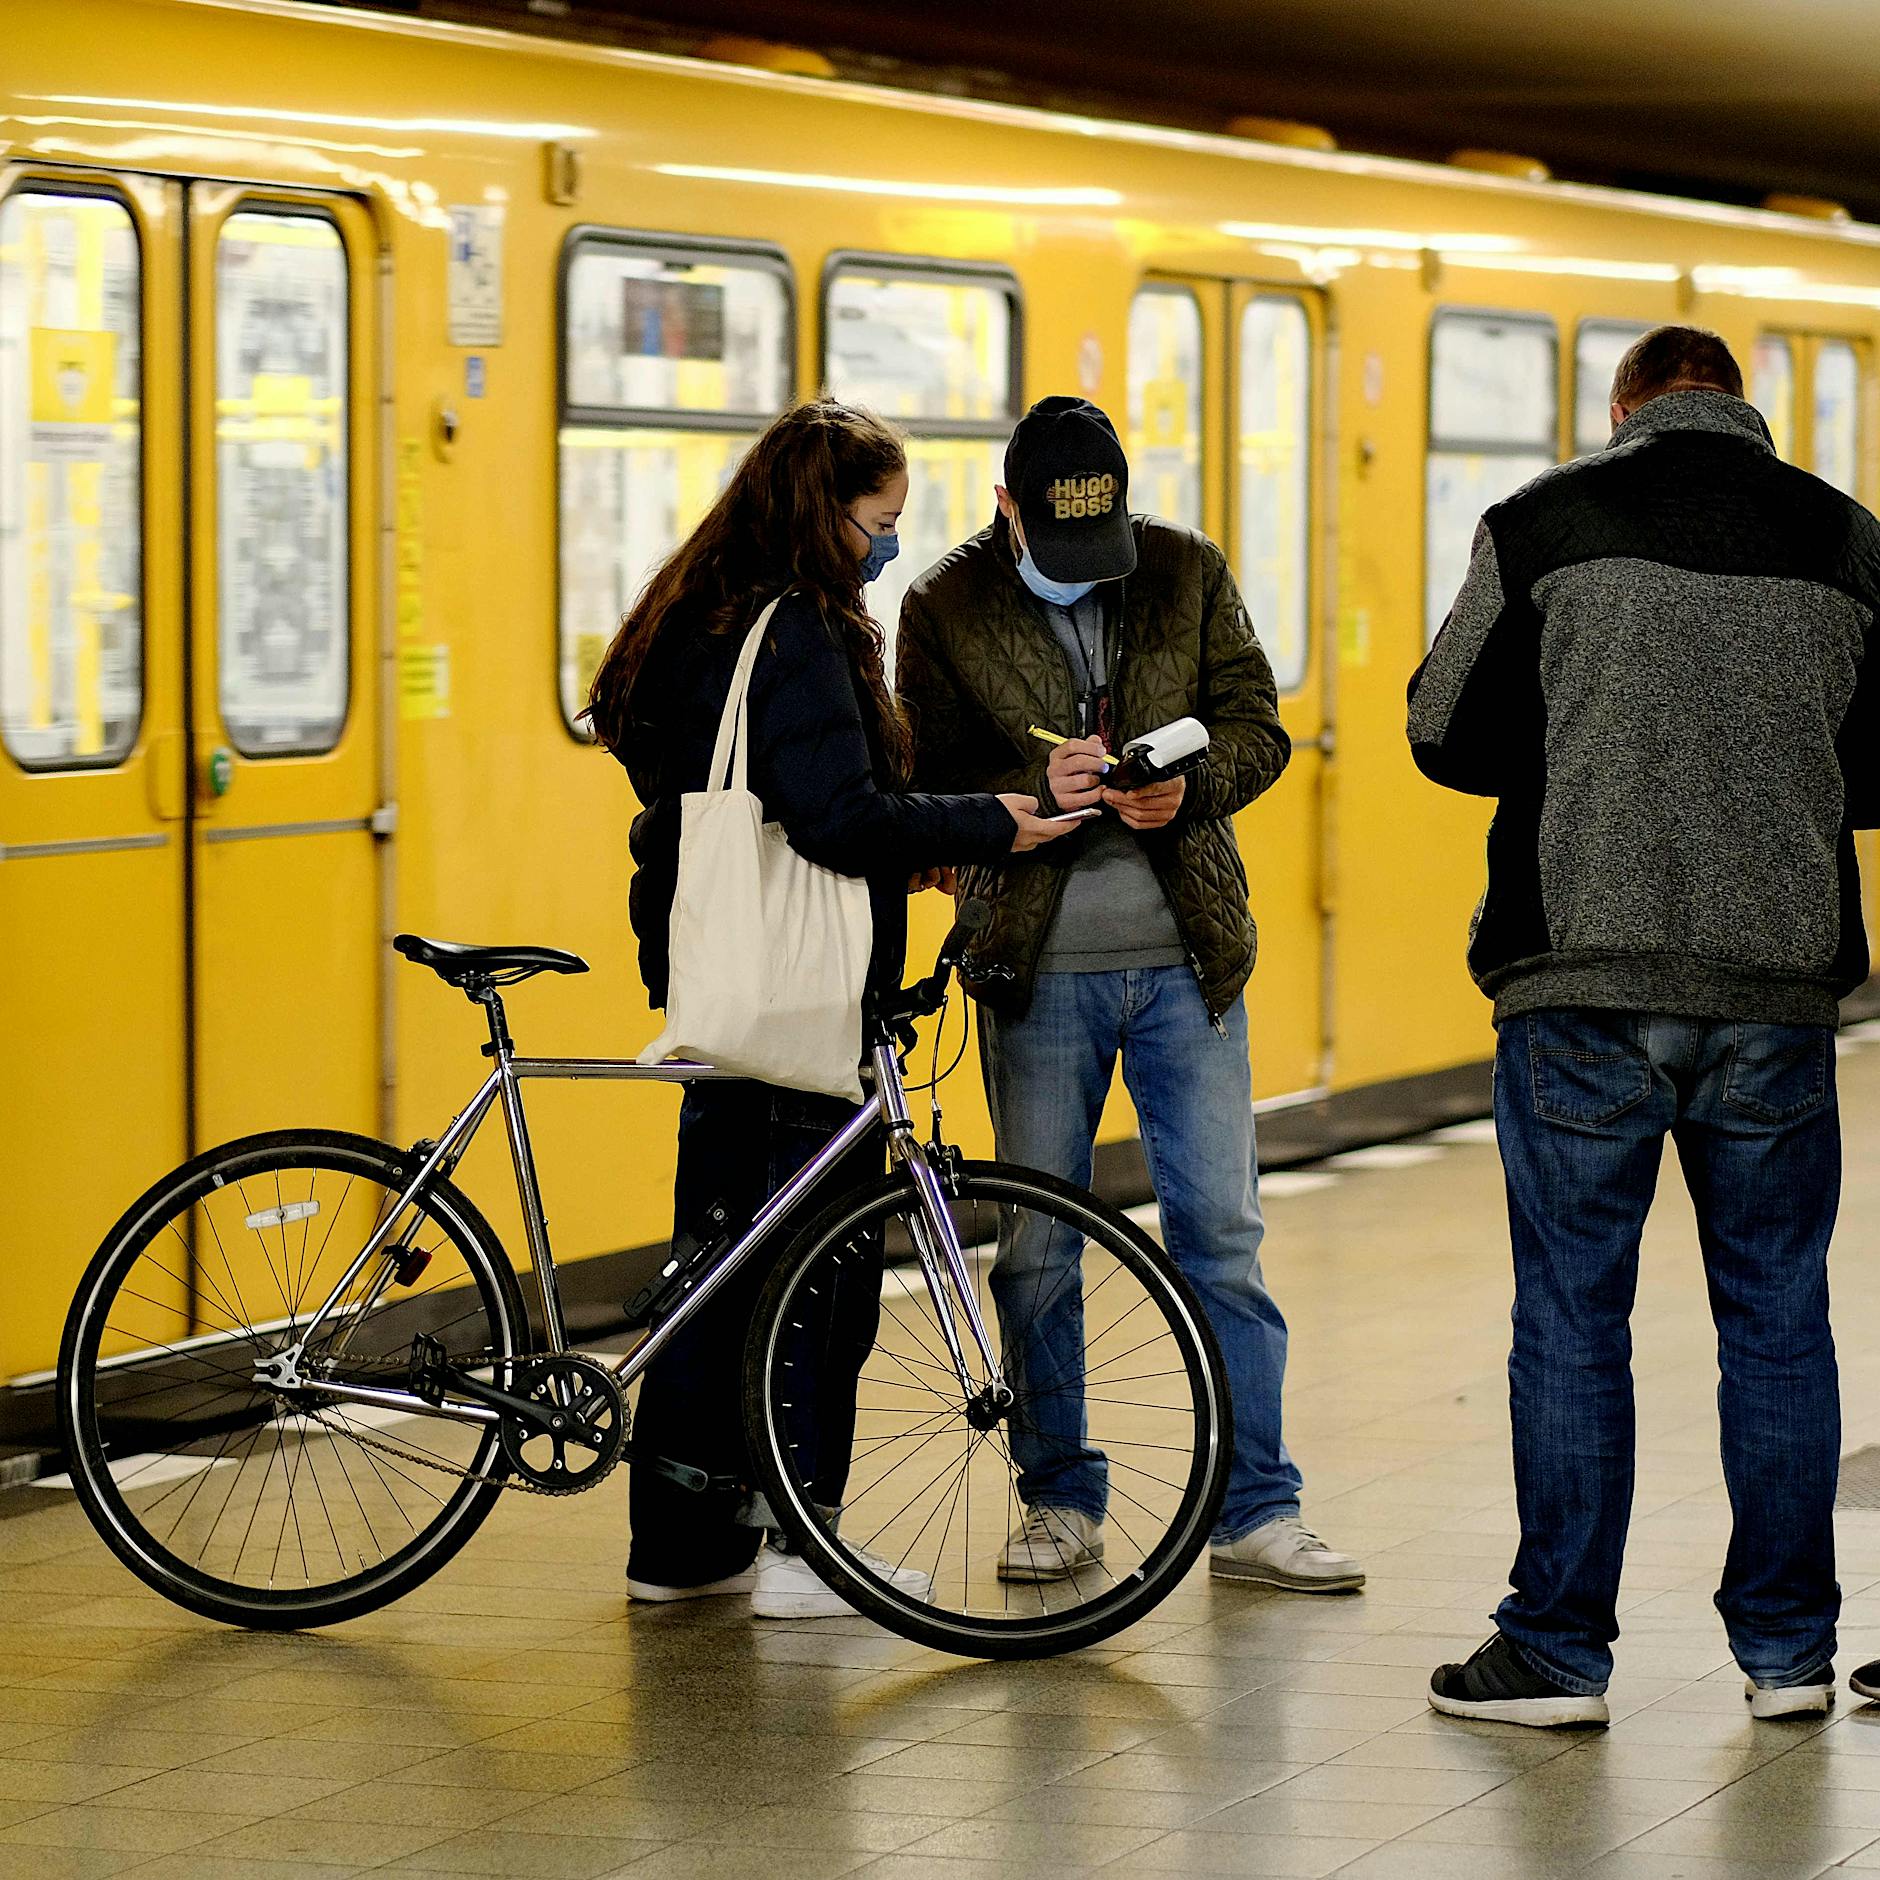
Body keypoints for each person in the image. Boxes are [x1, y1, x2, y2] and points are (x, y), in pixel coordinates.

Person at [1408, 325, 1880, 1727]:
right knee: (1778, 1315)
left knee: (1571, 1317)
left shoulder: (1542, 522)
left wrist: (1584, 740)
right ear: (1740, 403)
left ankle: (1556, 1651)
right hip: (1773, 989)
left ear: (1624, 408)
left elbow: (1440, 727)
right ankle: (1788, 1656)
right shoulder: (1845, 537)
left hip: (1581, 981)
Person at [585, 398, 1073, 1619]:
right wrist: (987, 821)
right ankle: (805, 1552)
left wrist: (863, 835)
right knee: (819, 1276)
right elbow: (834, 815)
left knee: (714, 1265)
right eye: (878, 520)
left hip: (721, 978)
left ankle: (679, 1549)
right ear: (823, 513)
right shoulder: (796, 627)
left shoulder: (690, 608)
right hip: (803, 997)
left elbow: (703, 781)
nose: (887, 544)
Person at [897, 394, 1363, 1593]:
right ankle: (1058, 1497)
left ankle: (1255, 1508)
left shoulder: (1183, 568)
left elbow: (1256, 724)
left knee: (1222, 1238)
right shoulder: (941, 605)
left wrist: (1189, 786)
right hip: (1035, 969)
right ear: (1005, 508)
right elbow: (921, 777)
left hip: (1185, 960)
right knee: (1037, 1249)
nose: (1086, 569)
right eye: (1056, 545)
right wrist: (1027, 780)